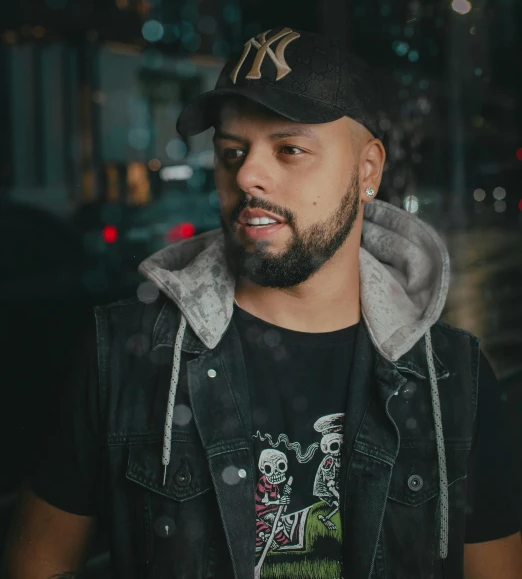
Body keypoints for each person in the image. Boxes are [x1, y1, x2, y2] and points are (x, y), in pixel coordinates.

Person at [2, 28, 521, 579]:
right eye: (232, 151)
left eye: (289, 149)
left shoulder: (450, 381)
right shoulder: (123, 357)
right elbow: (36, 565)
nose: (247, 174)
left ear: (367, 170)